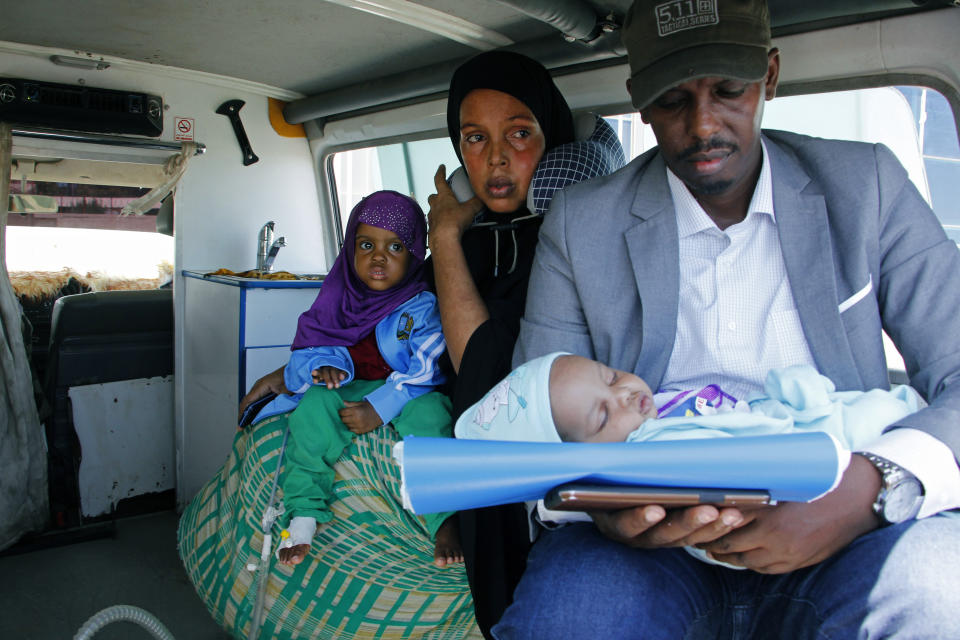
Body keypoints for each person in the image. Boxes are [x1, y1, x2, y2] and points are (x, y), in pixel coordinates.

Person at [500, 0, 960, 637]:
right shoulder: (582, 224)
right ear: (639, 99)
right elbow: (538, 436)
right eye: (672, 101)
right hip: (648, 544)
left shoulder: (868, 185)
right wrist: (609, 509)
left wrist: (868, 491)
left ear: (769, 76)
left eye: (728, 90)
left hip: (842, 517)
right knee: (571, 619)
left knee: (939, 591)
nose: (703, 124)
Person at [422, 50, 578, 636]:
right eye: (474, 138)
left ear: (553, 137)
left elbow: (482, 364)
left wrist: (443, 235)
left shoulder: (571, 241)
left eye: (519, 133)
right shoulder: (474, 231)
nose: (496, 159)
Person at [250, 190, 461, 568]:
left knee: (431, 418)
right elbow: (308, 349)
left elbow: (427, 366)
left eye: (395, 247)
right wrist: (322, 367)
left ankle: (444, 519)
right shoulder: (336, 294)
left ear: (414, 255)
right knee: (313, 413)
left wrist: (379, 409)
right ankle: (302, 515)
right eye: (366, 245)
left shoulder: (422, 304)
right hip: (350, 384)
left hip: (408, 388)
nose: (379, 257)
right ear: (350, 249)